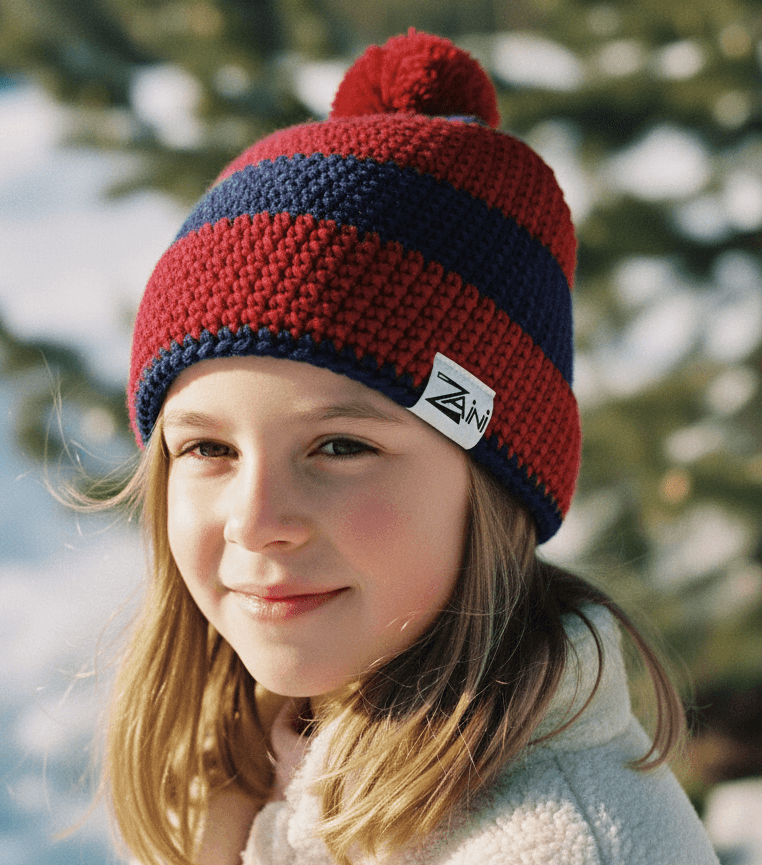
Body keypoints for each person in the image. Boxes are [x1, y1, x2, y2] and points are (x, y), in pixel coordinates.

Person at [101, 29, 719, 865]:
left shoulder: (548, 844)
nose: (257, 520)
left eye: (341, 445)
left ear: (492, 475)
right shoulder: (245, 779)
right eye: (208, 449)